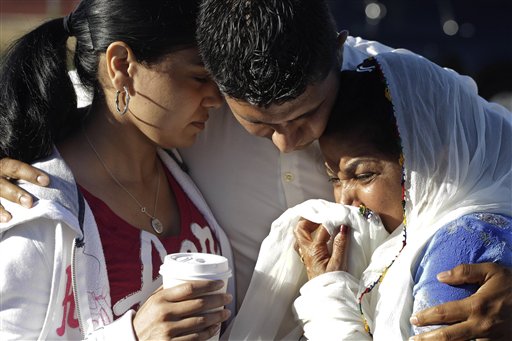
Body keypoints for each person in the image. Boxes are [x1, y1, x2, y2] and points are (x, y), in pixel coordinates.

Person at [1, 0, 512, 339]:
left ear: (337, 56)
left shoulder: (395, 93)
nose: (290, 140)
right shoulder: (193, 112)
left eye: (310, 114)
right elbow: (101, 82)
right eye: (261, 125)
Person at [0, 0, 233, 340]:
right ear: (121, 64)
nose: (216, 98)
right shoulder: (32, 212)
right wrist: (134, 335)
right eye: (199, 77)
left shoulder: (192, 164)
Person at [290, 55, 511, 339]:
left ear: (430, 159)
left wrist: (327, 298)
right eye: (334, 179)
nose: (344, 200)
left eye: (363, 175)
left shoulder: (460, 252)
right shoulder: (424, 236)